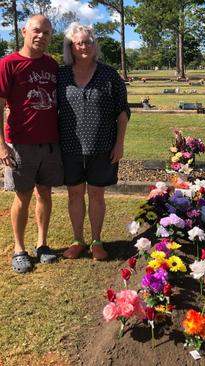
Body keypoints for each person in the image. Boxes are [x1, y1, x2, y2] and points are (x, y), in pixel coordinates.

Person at [57, 23, 129, 261]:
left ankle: (97, 241)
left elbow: (122, 112)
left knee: (97, 194)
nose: (84, 47)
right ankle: (78, 240)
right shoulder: (61, 75)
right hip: (70, 146)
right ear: (71, 47)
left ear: (94, 45)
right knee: (74, 195)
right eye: (78, 43)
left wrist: (119, 144)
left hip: (102, 146)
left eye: (88, 42)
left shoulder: (109, 75)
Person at [0, 15, 62, 273]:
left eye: (47, 33)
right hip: (20, 144)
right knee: (22, 196)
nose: (41, 36)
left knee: (45, 194)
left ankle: (42, 244)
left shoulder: (52, 65)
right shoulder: (8, 64)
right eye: (37, 31)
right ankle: (19, 249)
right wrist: (2, 146)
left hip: (49, 143)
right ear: (24, 31)